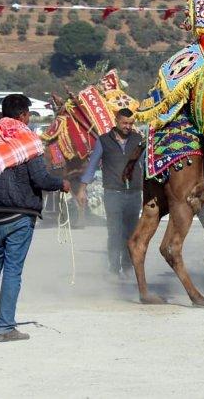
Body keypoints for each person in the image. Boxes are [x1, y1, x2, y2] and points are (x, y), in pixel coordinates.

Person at [0, 94, 69, 342]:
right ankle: (5, 327)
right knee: (12, 270)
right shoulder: (27, 139)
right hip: (20, 214)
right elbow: (40, 179)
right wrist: (61, 184)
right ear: (23, 115)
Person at [80, 107, 145, 279]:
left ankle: (128, 267)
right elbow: (92, 165)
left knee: (131, 233)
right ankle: (114, 269)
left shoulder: (138, 140)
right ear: (116, 122)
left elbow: (144, 165)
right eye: (124, 123)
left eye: (130, 123)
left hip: (134, 193)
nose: (128, 126)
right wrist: (82, 188)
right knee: (115, 232)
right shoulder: (104, 140)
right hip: (113, 193)